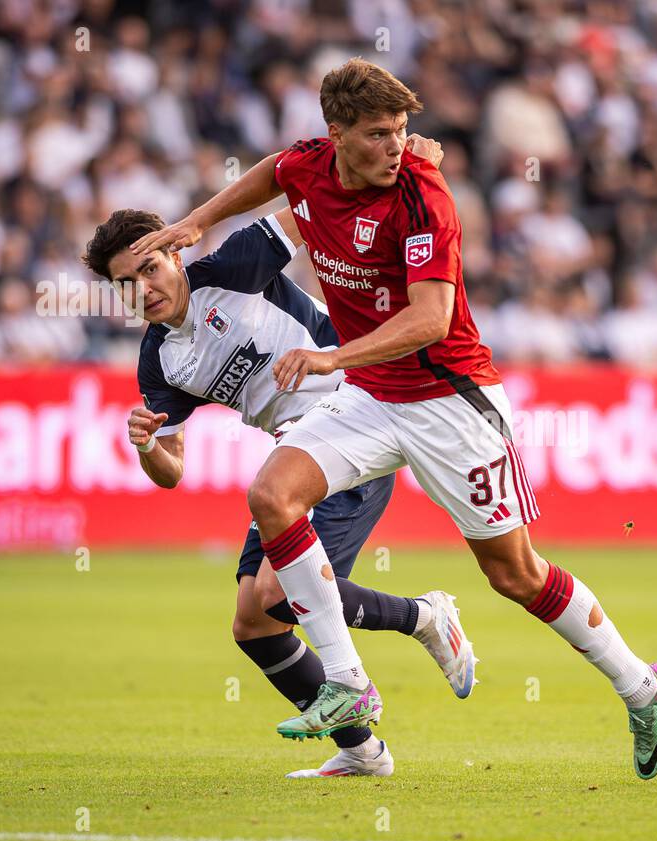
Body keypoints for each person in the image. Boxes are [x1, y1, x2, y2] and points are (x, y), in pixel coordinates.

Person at [133, 58, 657, 780]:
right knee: (271, 495)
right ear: (336, 137)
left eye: (402, 131)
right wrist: (199, 219)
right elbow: (273, 170)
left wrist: (332, 359)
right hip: (370, 396)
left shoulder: (424, 197)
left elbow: (431, 318)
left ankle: (642, 686)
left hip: (451, 400)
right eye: (379, 133)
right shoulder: (309, 166)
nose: (397, 146)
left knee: (514, 574)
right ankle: (349, 682)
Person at [83, 138, 478, 779]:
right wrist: (150, 443)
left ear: (174, 253)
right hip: (295, 460)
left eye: (150, 267)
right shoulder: (160, 359)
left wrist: (400, 163)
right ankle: (361, 752)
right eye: (127, 284)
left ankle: (427, 616)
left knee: (273, 596)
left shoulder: (232, 265)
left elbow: (308, 204)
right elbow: (172, 471)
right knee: (254, 625)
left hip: (355, 425)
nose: (144, 288)